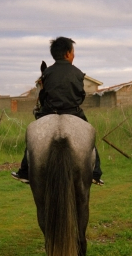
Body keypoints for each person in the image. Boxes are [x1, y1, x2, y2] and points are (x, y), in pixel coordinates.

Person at [11, 37, 104, 185]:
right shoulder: (78, 73)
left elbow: (43, 95)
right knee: (90, 137)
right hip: (73, 112)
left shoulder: (47, 73)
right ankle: (95, 173)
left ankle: (24, 171)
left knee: (31, 139)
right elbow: (80, 96)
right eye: (73, 52)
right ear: (67, 53)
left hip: (49, 112)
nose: (74, 55)